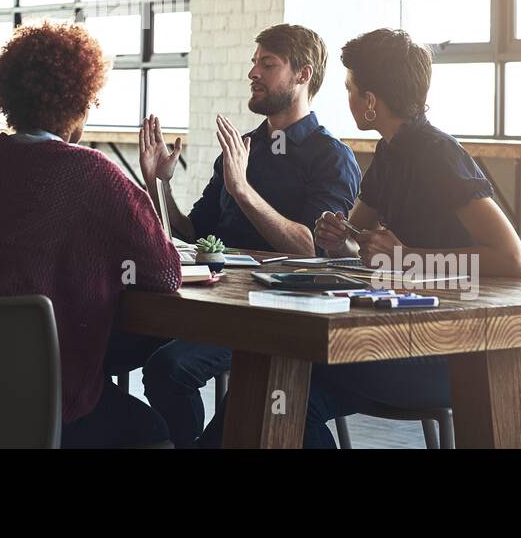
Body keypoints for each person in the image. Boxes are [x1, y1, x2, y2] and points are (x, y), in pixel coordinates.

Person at [204, 28, 521, 448]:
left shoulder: (438, 154)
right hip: (401, 333)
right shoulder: (391, 155)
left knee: (275, 385)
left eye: (351, 89)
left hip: (449, 350)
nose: (348, 99)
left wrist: (407, 256)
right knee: (268, 394)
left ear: (371, 101)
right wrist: (340, 238)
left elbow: (512, 257)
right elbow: (354, 242)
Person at [0, 22, 181, 448]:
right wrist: (154, 185)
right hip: (54, 406)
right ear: (80, 101)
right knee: (153, 433)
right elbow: (164, 274)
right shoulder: (94, 172)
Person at [129, 23, 361, 447]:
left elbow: (312, 248)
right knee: (149, 357)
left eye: (267, 65)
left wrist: (242, 190)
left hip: (282, 318)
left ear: (302, 75)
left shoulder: (331, 157)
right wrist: (158, 184)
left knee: (171, 367)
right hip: (217, 306)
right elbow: (194, 233)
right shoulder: (241, 148)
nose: (253, 74)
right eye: (254, 64)